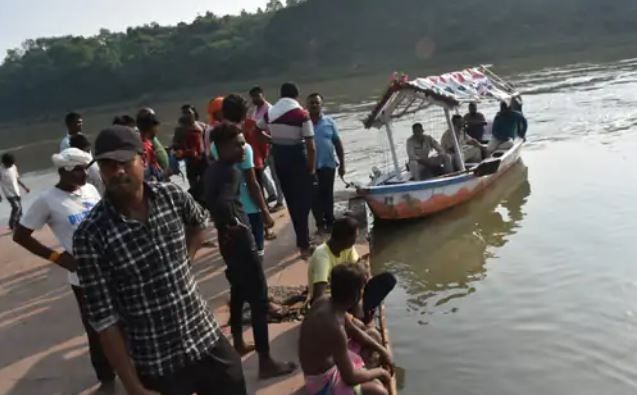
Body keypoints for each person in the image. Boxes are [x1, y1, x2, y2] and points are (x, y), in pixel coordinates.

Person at [73, 125, 246, 395]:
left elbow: (200, 222)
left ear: (142, 160)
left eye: (124, 162)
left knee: (235, 380)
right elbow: (105, 323)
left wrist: (185, 261)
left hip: (204, 335)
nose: (117, 171)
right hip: (157, 360)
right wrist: (133, 387)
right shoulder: (91, 235)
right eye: (108, 165)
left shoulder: (170, 196)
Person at [12, 148, 115, 390]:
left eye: (85, 170)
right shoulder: (47, 200)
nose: (84, 175)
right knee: (98, 330)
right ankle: (107, 377)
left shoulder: (89, 190)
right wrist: (56, 257)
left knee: (124, 322)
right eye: (79, 170)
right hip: (84, 278)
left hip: (112, 269)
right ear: (65, 171)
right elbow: (21, 235)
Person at [204, 122, 296, 379]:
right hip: (241, 241)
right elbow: (223, 204)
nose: (243, 147)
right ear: (222, 146)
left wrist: (225, 227)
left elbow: (211, 203)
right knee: (258, 300)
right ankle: (266, 362)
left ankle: (238, 341)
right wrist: (237, 226)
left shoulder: (212, 170)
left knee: (237, 290)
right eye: (238, 143)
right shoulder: (231, 172)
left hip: (227, 241)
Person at [299, 264, 392, 395]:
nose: (363, 293)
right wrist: (381, 372)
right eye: (362, 290)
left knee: (372, 334)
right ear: (355, 296)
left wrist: (382, 350)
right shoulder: (335, 328)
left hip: (332, 365)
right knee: (379, 391)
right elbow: (350, 378)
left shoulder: (324, 301)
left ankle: (367, 374)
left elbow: (353, 330)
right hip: (323, 383)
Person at [210, 94, 275, 257]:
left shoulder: (215, 145)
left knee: (237, 255)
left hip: (227, 209)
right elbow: (252, 184)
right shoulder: (243, 148)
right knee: (256, 253)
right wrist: (265, 211)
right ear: (244, 115)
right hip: (249, 209)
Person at [258, 82, 316, 259]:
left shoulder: (270, 112)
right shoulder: (301, 114)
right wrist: (312, 170)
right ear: (296, 96)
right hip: (298, 159)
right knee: (304, 202)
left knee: (291, 200)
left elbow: (257, 129)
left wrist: (272, 140)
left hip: (280, 159)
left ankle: (302, 238)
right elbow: (311, 146)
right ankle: (304, 244)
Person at [307, 93, 346, 234]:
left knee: (327, 195)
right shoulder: (304, 124)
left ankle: (330, 222)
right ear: (307, 106)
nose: (314, 105)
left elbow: (337, 143)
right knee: (313, 197)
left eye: (317, 102)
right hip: (311, 167)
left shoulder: (330, 122)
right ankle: (320, 224)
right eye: (312, 103)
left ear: (321, 104)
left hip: (328, 165)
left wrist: (342, 164)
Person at [249, 86, 283, 211]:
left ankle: (280, 201)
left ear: (263, 95)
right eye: (253, 97)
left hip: (270, 145)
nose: (255, 99)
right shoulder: (255, 111)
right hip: (259, 149)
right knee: (260, 172)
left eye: (257, 96)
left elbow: (273, 128)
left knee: (275, 175)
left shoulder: (270, 109)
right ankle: (272, 193)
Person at [0, 153, 30, 230]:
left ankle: (19, 224)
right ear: (4, 162)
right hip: (8, 193)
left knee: (20, 209)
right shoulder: (1, 170)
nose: (10, 165)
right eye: (9, 164)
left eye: (11, 164)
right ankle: (12, 224)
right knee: (16, 207)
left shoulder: (13, 167)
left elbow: (17, 179)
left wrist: (25, 187)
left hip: (16, 191)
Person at [136, 110, 164, 181]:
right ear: (152, 127)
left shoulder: (146, 141)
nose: (157, 130)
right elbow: (145, 173)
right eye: (156, 126)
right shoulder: (143, 147)